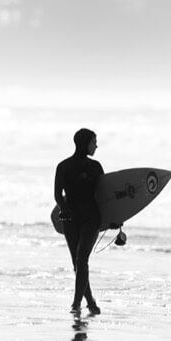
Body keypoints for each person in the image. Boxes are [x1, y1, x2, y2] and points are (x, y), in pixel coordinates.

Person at [54, 128, 103, 314]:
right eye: (93, 142)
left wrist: (115, 219)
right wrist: (64, 209)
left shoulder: (96, 167)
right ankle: (90, 302)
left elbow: (106, 196)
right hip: (71, 219)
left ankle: (76, 304)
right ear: (84, 143)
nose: (96, 146)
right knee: (78, 262)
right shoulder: (63, 166)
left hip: (91, 218)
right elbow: (57, 195)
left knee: (81, 259)